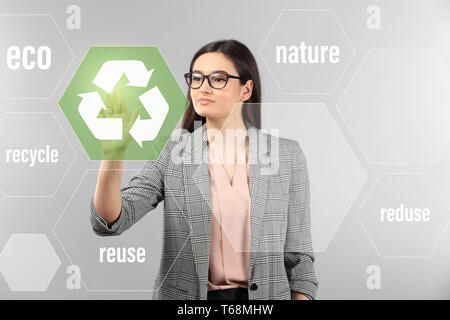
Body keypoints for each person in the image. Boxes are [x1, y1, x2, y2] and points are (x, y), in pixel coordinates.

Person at [90, 39, 318, 300]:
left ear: (246, 89)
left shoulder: (287, 155)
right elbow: (111, 221)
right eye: (196, 78)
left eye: (217, 79)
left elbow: (300, 260)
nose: (203, 88)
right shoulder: (171, 152)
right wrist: (112, 155)